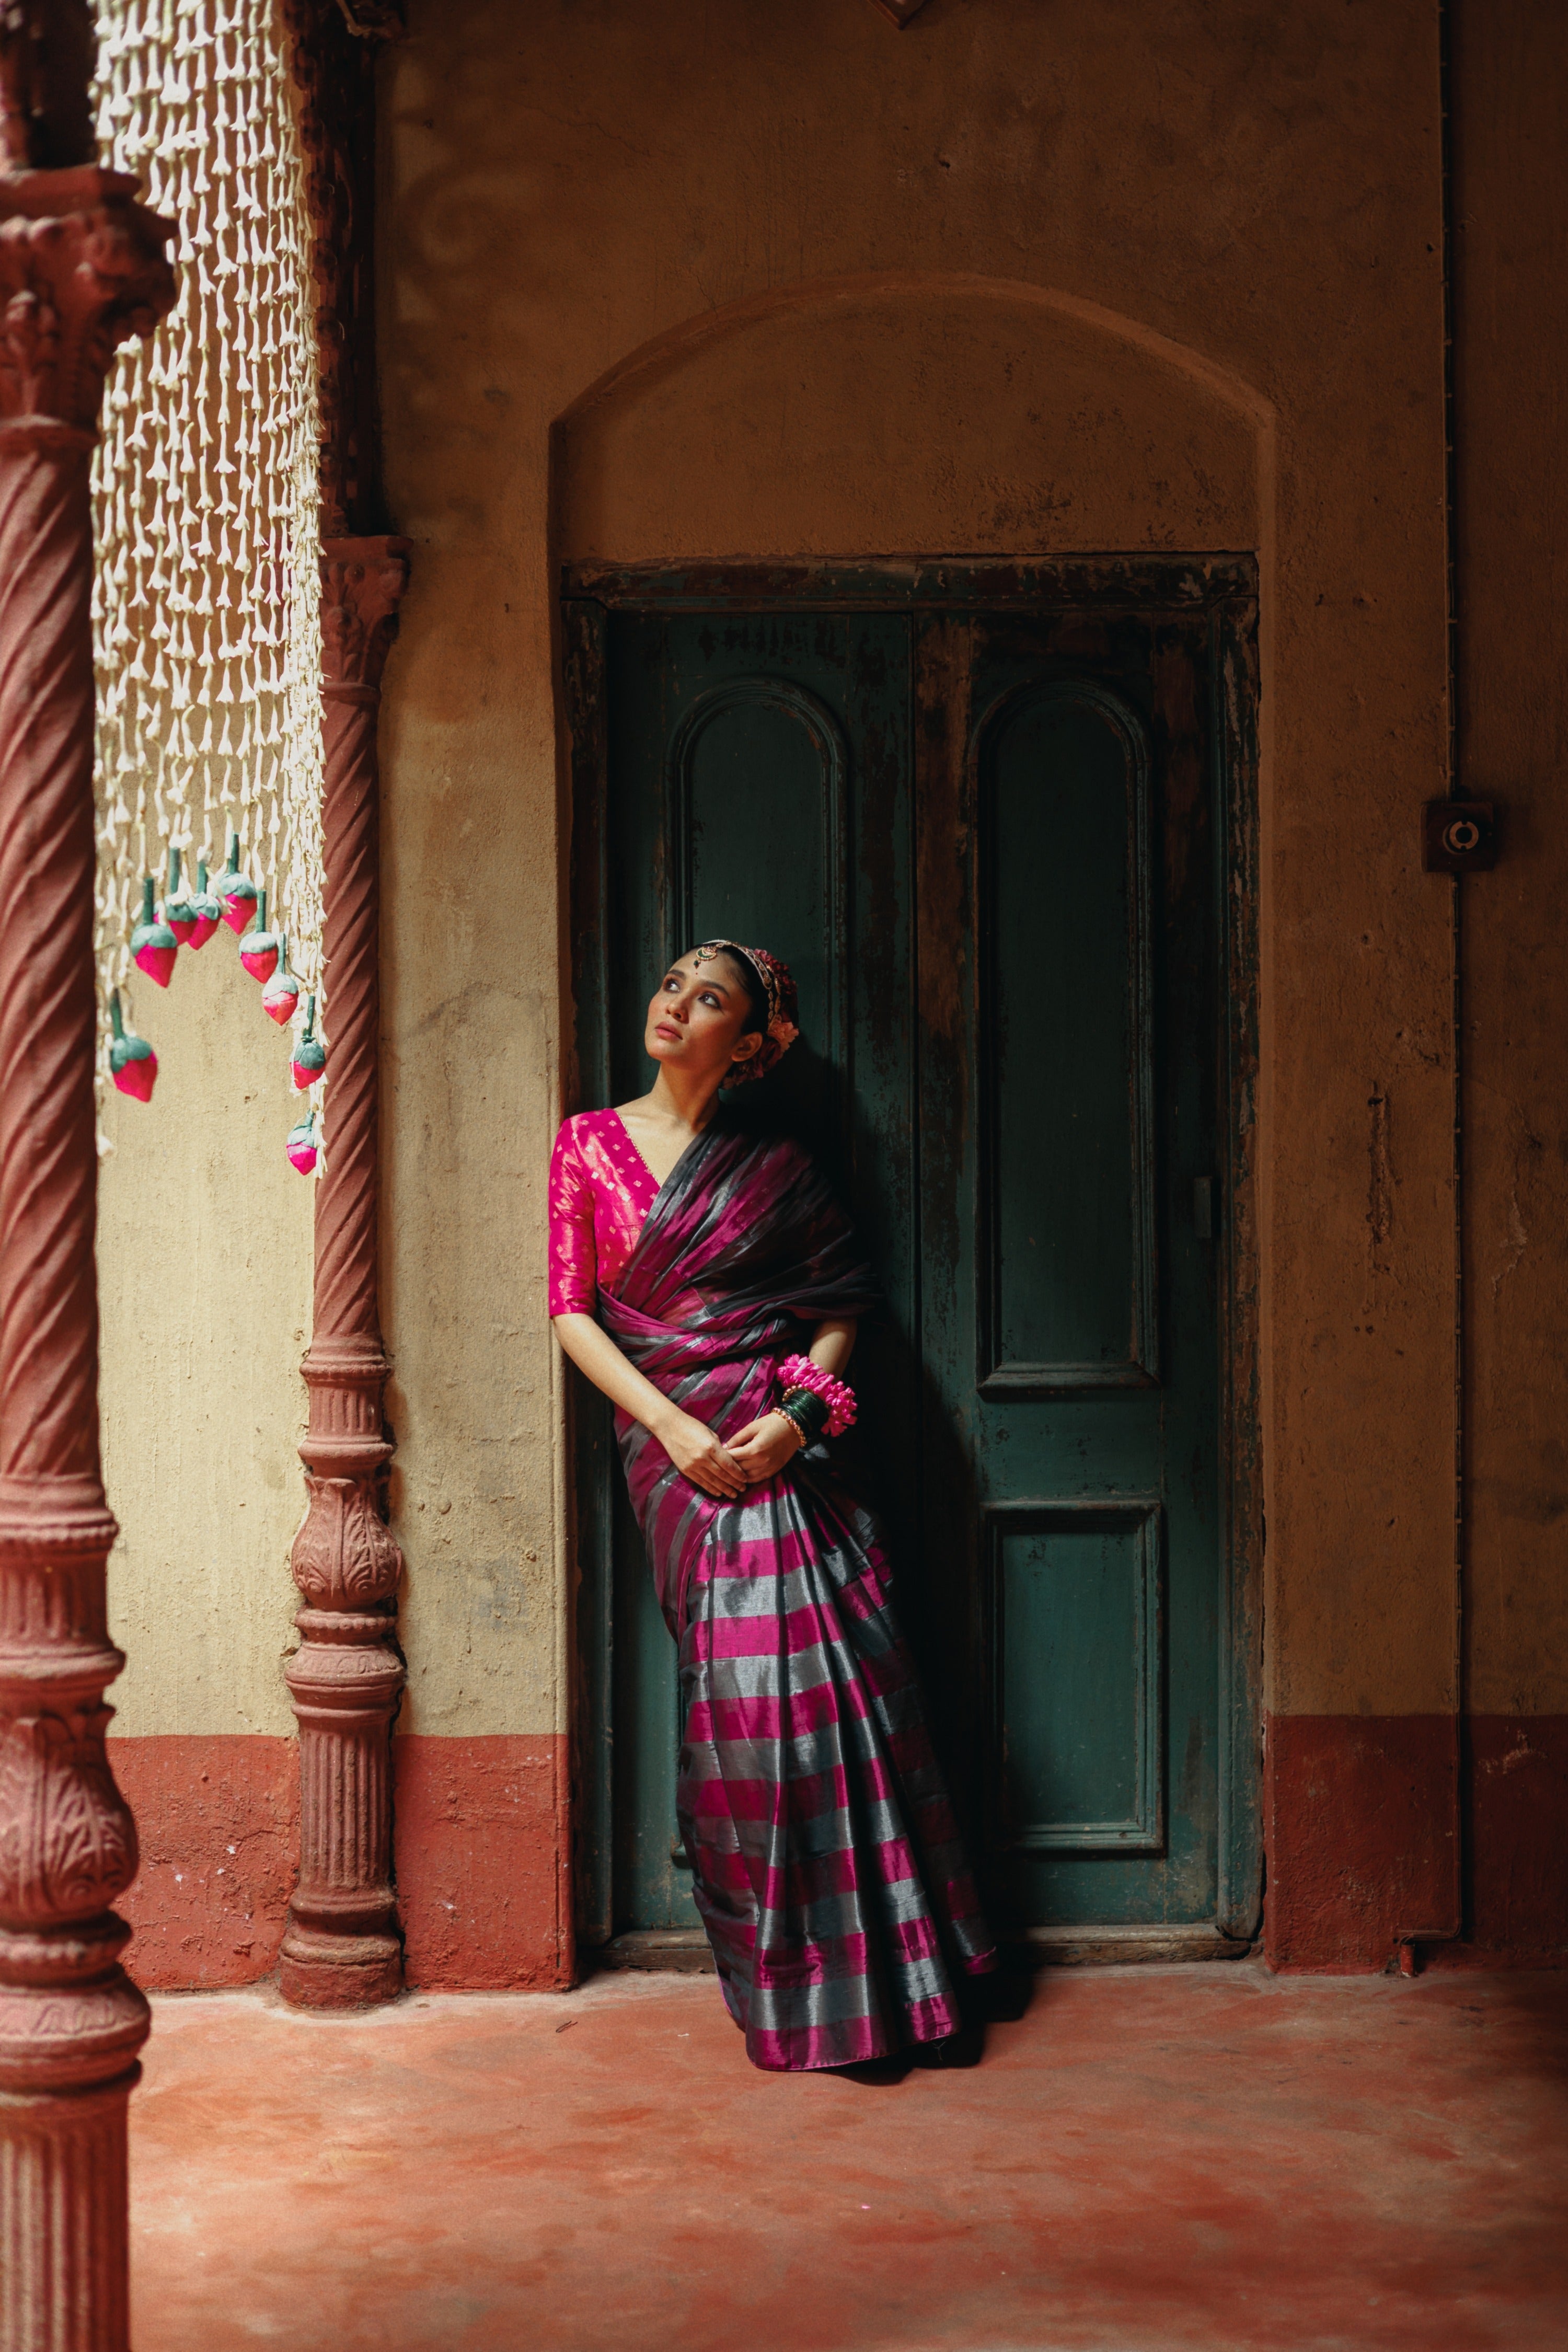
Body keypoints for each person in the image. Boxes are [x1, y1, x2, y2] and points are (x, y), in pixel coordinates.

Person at [549, 939, 996, 2070]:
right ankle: (796, 1986)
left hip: (781, 1451)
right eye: (671, 984)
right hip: (676, 1452)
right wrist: (673, 1428)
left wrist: (797, 1421)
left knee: (849, 1700)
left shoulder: (780, 1165)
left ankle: (898, 1985)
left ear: (748, 1043)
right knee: (747, 1717)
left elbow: (841, 1308)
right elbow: (571, 1313)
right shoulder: (586, 1144)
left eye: (708, 999)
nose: (674, 1005)